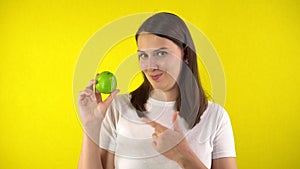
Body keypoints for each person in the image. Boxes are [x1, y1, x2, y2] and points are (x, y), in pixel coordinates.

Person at [78, 12, 237, 169]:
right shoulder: (118, 108)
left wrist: (183, 154)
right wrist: (91, 126)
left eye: (161, 53)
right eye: (143, 56)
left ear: (185, 54)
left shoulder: (215, 117)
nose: (150, 66)